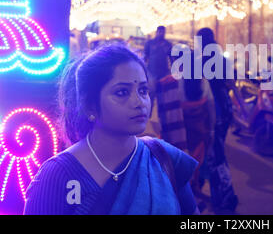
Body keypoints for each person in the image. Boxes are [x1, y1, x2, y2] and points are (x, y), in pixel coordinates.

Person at [24, 44, 199, 215]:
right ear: (90, 106)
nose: (140, 102)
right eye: (122, 92)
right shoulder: (57, 176)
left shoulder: (163, 158)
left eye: (143, 90)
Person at [196, 28, 238, 213]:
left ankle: (225, 196)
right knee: (216, 150)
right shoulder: (222, 59)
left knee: (215, 153)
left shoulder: (199, 62)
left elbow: (198, 89)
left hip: (212, 110)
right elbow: (230, 83)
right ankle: (220, 195)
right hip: (225, 106)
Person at [178, 50, 216, 199]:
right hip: (200, 129)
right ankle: (196, 187)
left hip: (183, 129)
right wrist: (211, 128)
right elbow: (211, 106)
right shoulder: (203, 81)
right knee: (199, 158)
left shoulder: (176, 81)